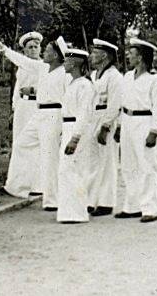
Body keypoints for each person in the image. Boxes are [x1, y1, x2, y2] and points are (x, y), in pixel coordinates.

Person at [0, 35, 67, 211]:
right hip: (39, 113)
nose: (42, 52)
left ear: (55, 56)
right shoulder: (43, 68)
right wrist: (3, 47)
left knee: (49, 155)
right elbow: (22, 60)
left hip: (54, 114)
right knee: (22, 144)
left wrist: (65, 125)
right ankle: (18, 186)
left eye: (46, 51)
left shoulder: (63, 74)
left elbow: (69, 100)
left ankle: (52, 200)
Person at [115, 38, 157, 223]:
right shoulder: (127, 77)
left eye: (132, 53)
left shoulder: (155, 79)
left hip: (144, 122)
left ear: (142, 57)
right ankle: (132, 206)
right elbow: (123, 103)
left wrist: (154, 131)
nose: (128, 56)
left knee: (146, 166)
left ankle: (150, 209)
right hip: (128, 122)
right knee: (129, 166)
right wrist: (120, 126)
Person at [3, 31, 45, 197]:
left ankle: (37, 184)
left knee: (36, 144)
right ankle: (19, 182)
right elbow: (17, 89)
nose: (33, 49)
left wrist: (35, 90)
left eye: (36, 46)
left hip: (37, 106)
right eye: (30, 47)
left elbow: (52, 88)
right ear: (25, 51)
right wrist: (14, 109)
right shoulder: (22, 67)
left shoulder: (45, 66)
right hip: (23, 106)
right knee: (19, 141)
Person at [59, 47, 95, 223]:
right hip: (67, 126)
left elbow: (84, 114)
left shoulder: (84, 85)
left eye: (66, 60)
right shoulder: (72, 84)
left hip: (76, 129)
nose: (64, 63)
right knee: (66, 170)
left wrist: (75, 138)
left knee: (75, 170)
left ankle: (78, 212)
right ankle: (67, 211)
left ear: (74, 63)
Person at [88, 38, 123, 217]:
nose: (92, 56)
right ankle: (91, 199)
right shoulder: (94, 75)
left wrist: (106, 126)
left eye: (95, 53)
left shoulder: (114, 76)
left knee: (108, 161)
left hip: (106, 119)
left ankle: (106, 202)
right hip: (93, 117)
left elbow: (115, 103)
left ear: (105, 56)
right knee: (94, 161)